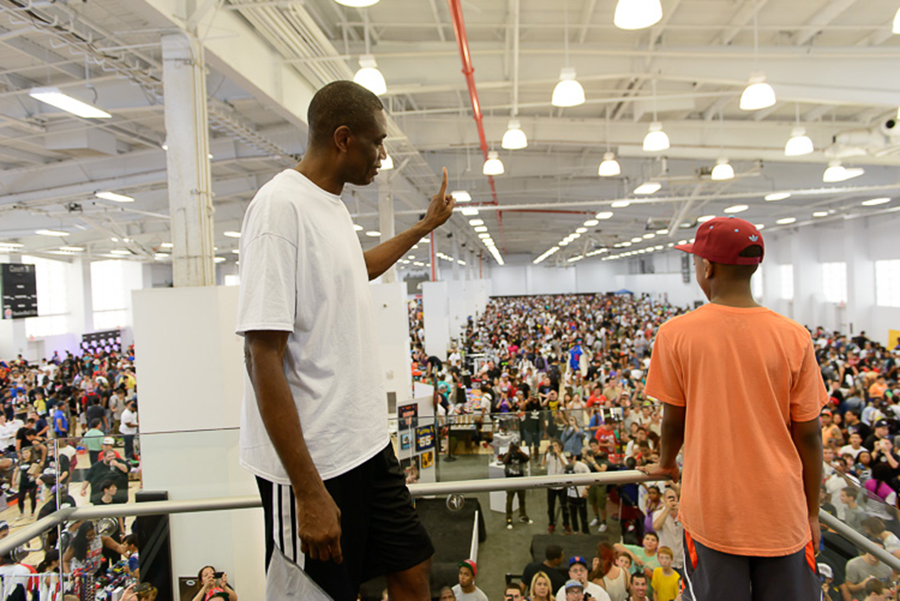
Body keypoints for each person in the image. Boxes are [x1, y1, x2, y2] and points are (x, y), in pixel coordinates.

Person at [238, 80, 454, 601]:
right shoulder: (278, 209)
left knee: (412, 568)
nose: (383, 155)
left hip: (365, 444)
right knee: (321, 593)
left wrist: (423, 227)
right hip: (314, 463)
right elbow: (261, 355)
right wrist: (308, 491)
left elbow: (355, 270)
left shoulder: (331, 206)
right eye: (377, 142)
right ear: (342, 139)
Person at [640, 217, 827, 599]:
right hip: (783, 514)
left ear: (707, 267)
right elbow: (809, 434)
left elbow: (673, 421)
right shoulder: (795, 336)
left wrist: (664, 463)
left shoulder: (676, 334)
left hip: (714, 513)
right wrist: (811, 513)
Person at [500, 442, 533, 529]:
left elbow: (527, 458)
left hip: (520, 481)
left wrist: (520, 451)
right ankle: (509, 518)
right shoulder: (507, 455)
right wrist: (509, 452)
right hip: (510, 482)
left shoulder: (520, 455)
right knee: (509, 501)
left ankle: (522, 515)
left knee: (522, 500)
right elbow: (504, 461)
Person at [543, 440, 570, 534]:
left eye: (555, 446)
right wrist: (545, 452)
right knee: (550, 507)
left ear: (560, 447)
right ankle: (551, 523)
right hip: (551, 485)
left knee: (564, 506)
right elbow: (543, 464)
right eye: (552, 445)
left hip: (561, 485)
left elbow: (564, 466)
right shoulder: (549, 455)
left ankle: (566, 524)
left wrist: (558, 455)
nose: (553, 447)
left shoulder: (562, 456)